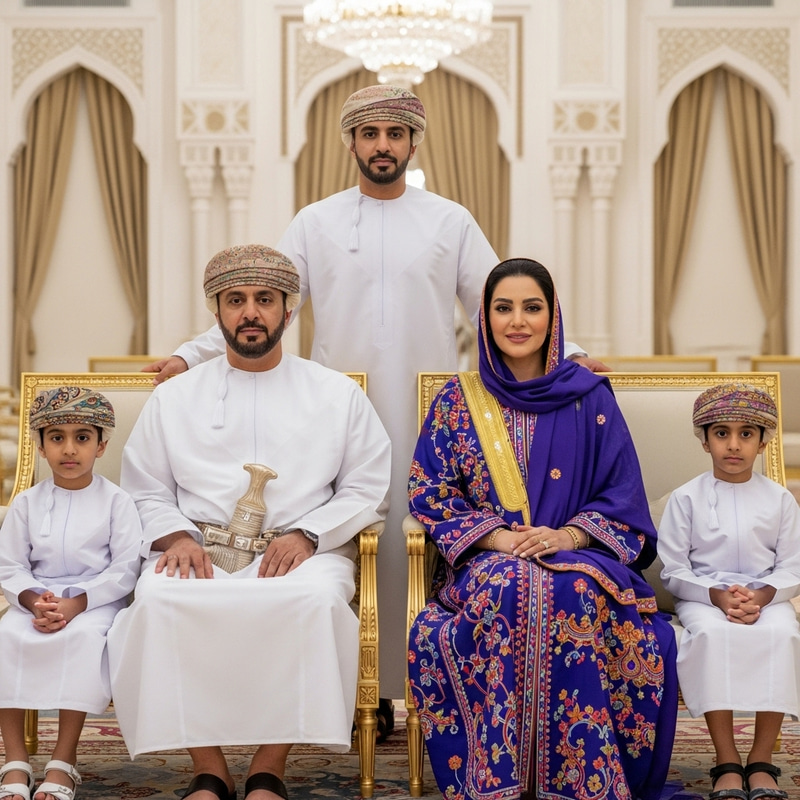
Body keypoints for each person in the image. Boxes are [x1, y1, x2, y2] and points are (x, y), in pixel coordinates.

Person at [144, 85, 606, 705]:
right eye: (369, 134)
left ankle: (425, 687)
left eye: (394, 133)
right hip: (336, 414)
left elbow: (498, 306)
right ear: (352, 143)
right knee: (353, 540)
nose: (382, 145)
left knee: (420, 540)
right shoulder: (316, 221)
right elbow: (264, 298)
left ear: (413, 141)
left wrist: (570, 356)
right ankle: (362, 694)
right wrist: (190, 354)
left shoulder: (450, 219)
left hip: (432, 413)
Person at [106, 244, 391, 800]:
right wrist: (177, 536)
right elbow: (143, 487)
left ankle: (269, 768)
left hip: (301, 551)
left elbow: (365, 486)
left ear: (289, 310)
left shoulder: (336, 394)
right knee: (162, 600)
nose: (250, 313)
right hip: (198, 546)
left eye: (265, 299)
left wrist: (308, 535)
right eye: (235, 300)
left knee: (314, 603)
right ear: (217, 312)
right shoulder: (176, 398)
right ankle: (209, 768)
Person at [406, 258, 678, 800]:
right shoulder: (457, 400)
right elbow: (430, 491)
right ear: (484, 318)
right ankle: (500, 778)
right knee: (513, 583)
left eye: (532, 308)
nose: (518, 321)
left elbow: (623, 497)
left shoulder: (591, 396)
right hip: (487, 562)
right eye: (503, 308)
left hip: (582, 557)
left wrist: (567, 537)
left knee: (566, 586)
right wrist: (497, 536)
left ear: (553, 318)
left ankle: (582, 781)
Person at [658, 383, 800, 800]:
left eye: (746, 434)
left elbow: (793, 563)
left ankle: (759, 760)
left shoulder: (780, 500)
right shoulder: (686, 499)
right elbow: (674, 568)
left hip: (767, 597)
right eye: (721, 433)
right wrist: (716, 596)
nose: (733, 445)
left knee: (784, 634)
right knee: (710, 635)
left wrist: (765, 594)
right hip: (704, 598)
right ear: (704, 441)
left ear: (762, 442)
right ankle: (726, 759)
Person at [0, 387, 142, 800]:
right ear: (41, 447)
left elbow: (124, 568)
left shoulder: (117, 502)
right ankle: (15, 759)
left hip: (94, 602)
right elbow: (9, 564)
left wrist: (76, 603)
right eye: (56, 436)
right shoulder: (27, 503)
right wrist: (33, 601)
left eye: (82, 437)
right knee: (8, 637)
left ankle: (63, 760)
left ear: (101, 446)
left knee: (81, 640)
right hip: (34, 601)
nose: (69, 448)